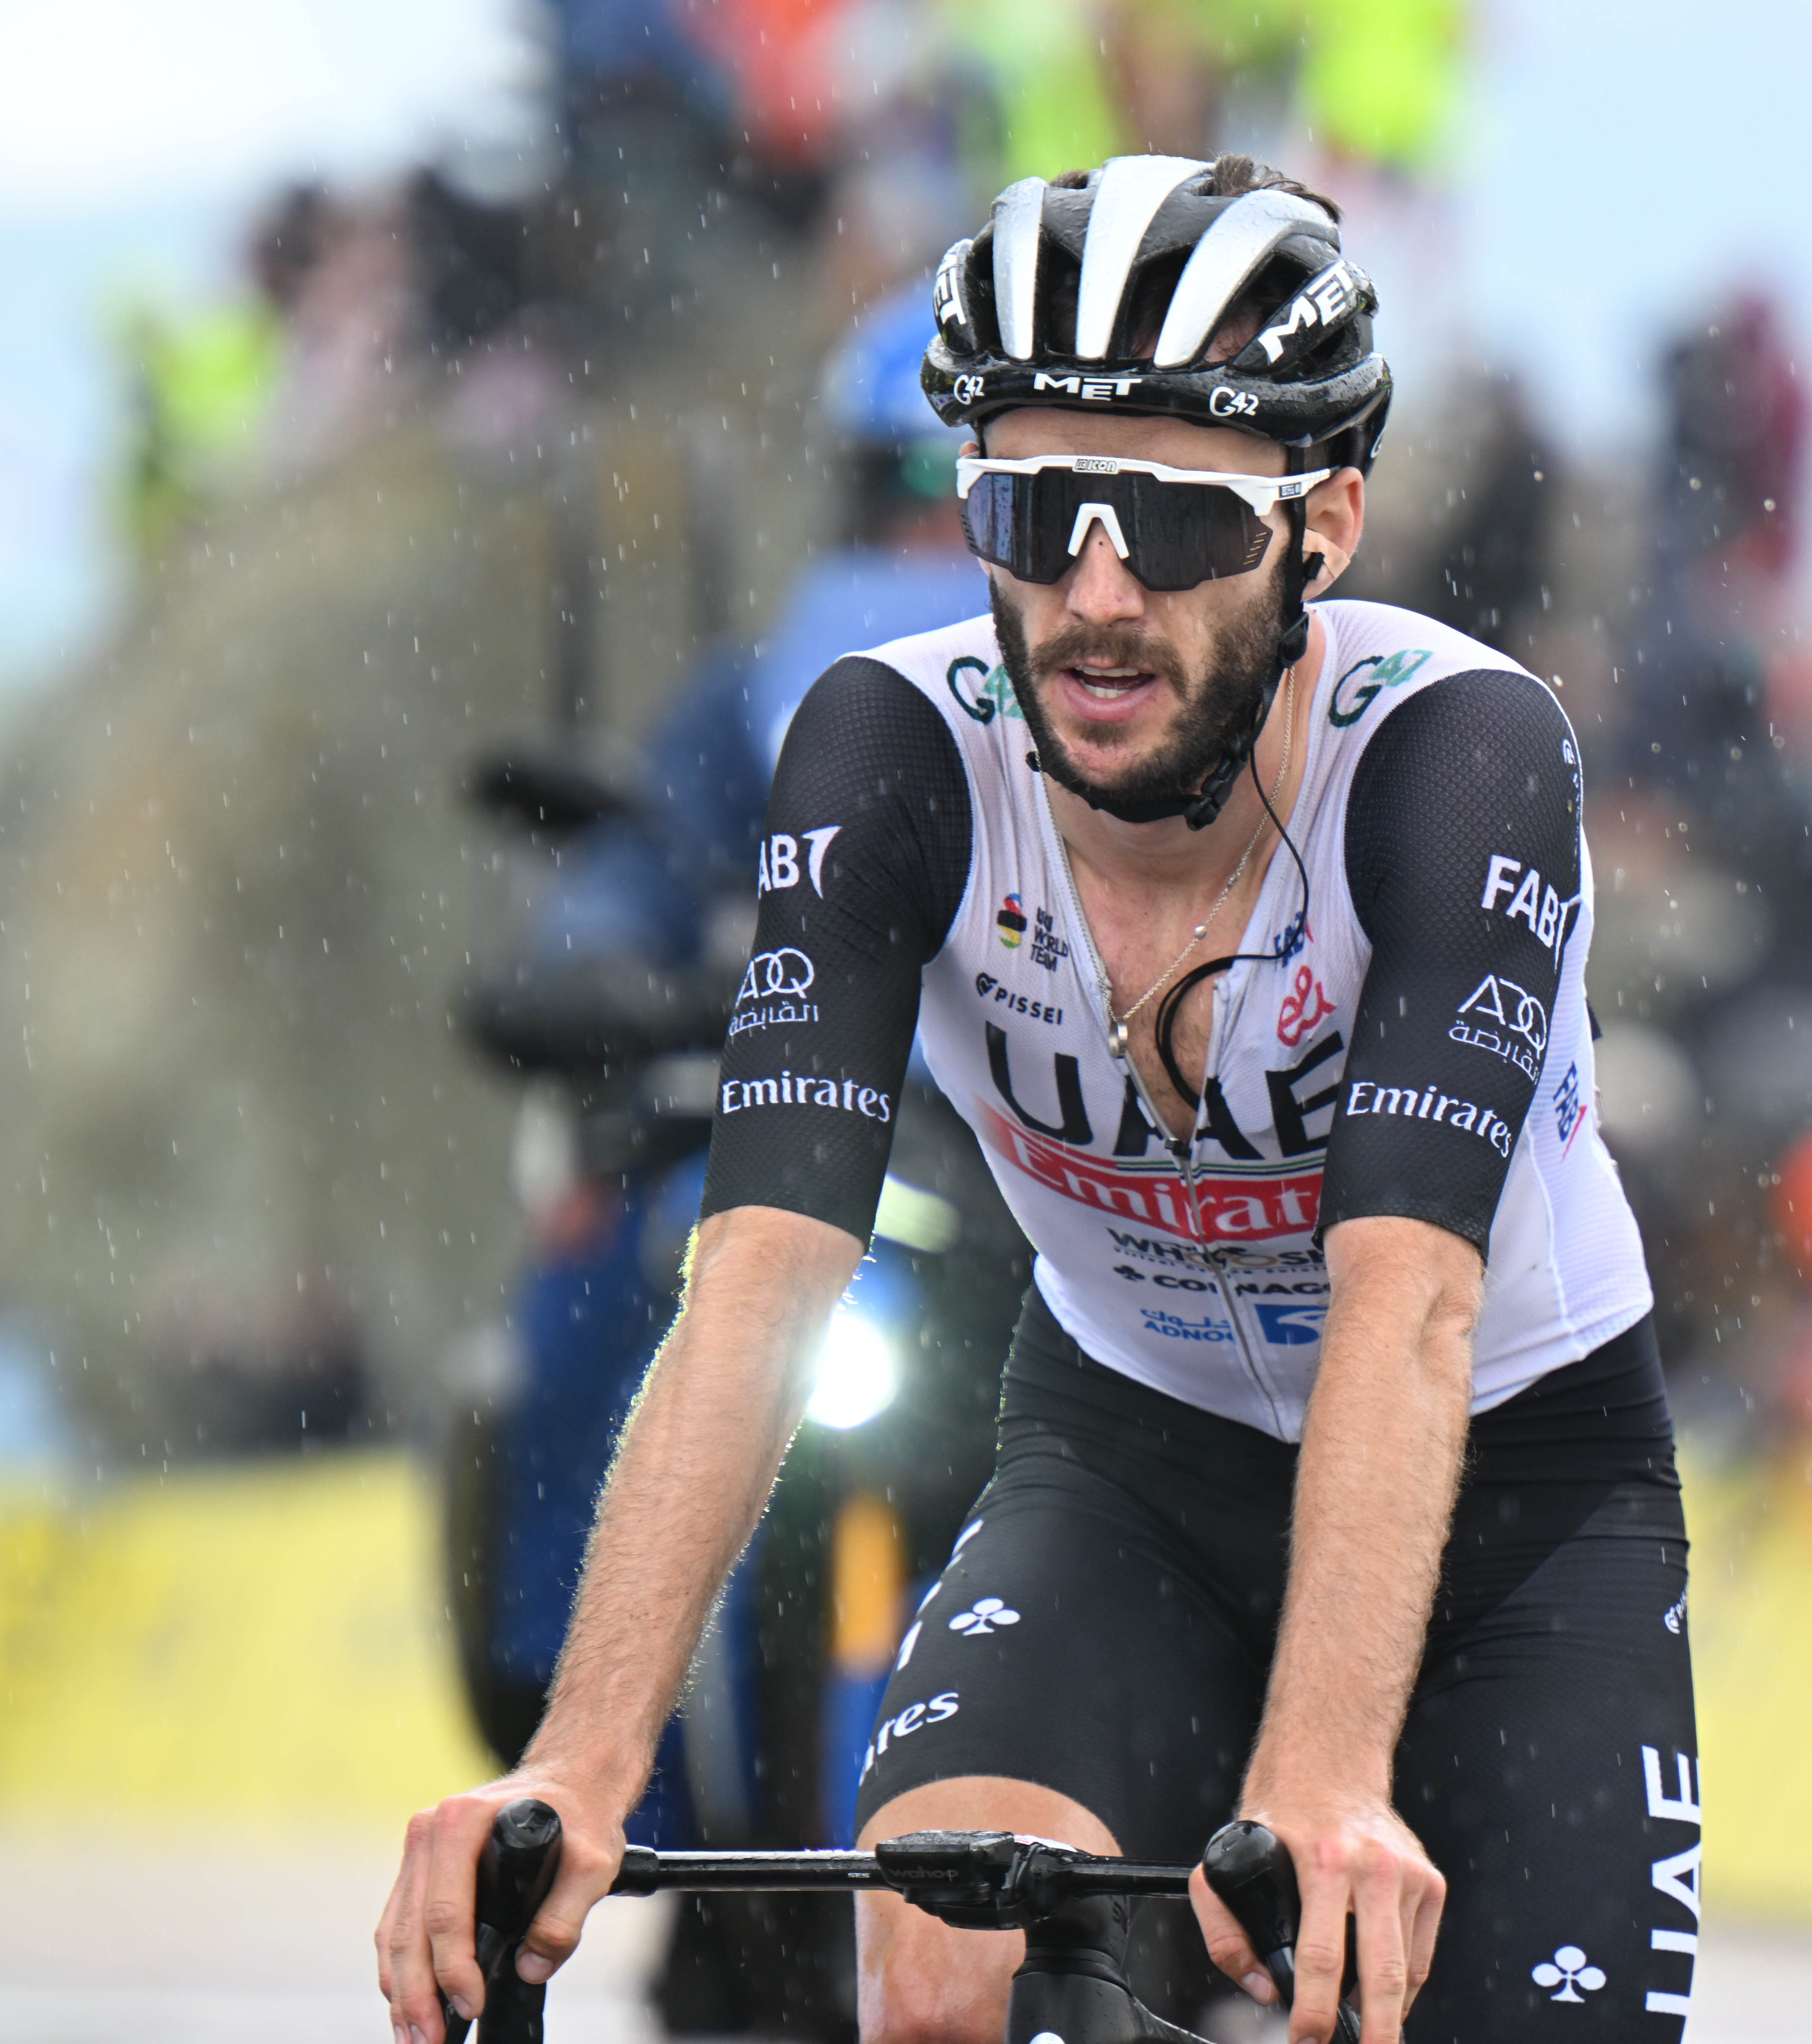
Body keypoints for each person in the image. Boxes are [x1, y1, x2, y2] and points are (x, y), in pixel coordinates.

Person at [379, 152, 1699, 2044]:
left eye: (1173, 521)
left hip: (1510, 1486)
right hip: (1134, 1460)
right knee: (941, 1973)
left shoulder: (1461, 757)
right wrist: (577, 1769)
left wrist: (1325, 1774)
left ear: (1323, 526)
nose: (1095, 594)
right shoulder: (890, 744)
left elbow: (1410, 1300)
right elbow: (759, 1278)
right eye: (1032, 506)